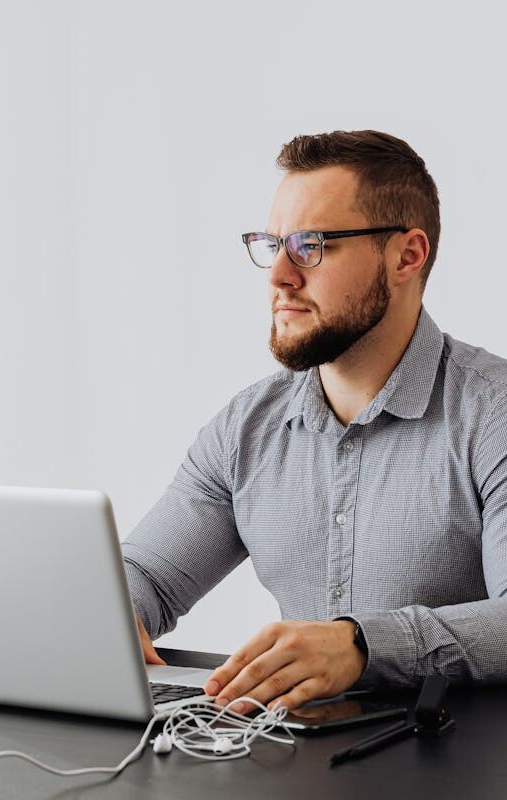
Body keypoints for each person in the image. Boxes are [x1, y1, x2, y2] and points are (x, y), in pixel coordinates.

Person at [121, 129, 507, 714]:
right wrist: (114, 612)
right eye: (272, 243)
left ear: (407, 255)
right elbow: (147, 572)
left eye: (311, 245)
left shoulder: (493, 412)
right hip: (293, 762)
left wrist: (361, 645)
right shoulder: (246, 428)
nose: (279, 275)